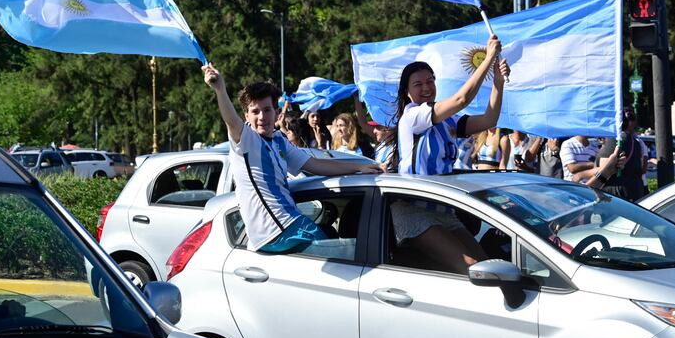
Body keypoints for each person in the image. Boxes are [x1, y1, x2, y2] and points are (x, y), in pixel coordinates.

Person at [202, 64, 378, 253]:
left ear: (276, 113)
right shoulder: (247, 140)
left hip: (290, 223)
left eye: (267, 110)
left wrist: (359, 167)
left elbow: (315, 164)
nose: (262, 117)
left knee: (337, 243)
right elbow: (230, 120)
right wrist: (220, 90)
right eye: (255, 111)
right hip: (275, 230)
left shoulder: (279, 140)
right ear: (246, 115)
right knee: (346, 255)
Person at [389, 35, 510, 273]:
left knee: (491, 267)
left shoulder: (447, 120)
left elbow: (489, 119)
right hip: (414, 209)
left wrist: (498, 81)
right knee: (474, 270)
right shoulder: (412, 116)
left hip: (443, 208)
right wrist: (488, 58)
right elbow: (462, 98)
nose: (427, 87)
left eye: (430, 81)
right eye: (418, 84)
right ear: (407, 92)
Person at [594, 108, 649, 201]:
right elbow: (642, 168)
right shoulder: (635, 141)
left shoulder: (617, 140)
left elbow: (603, 170)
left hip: (614, 194)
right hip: (632, 192)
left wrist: (582, 174)